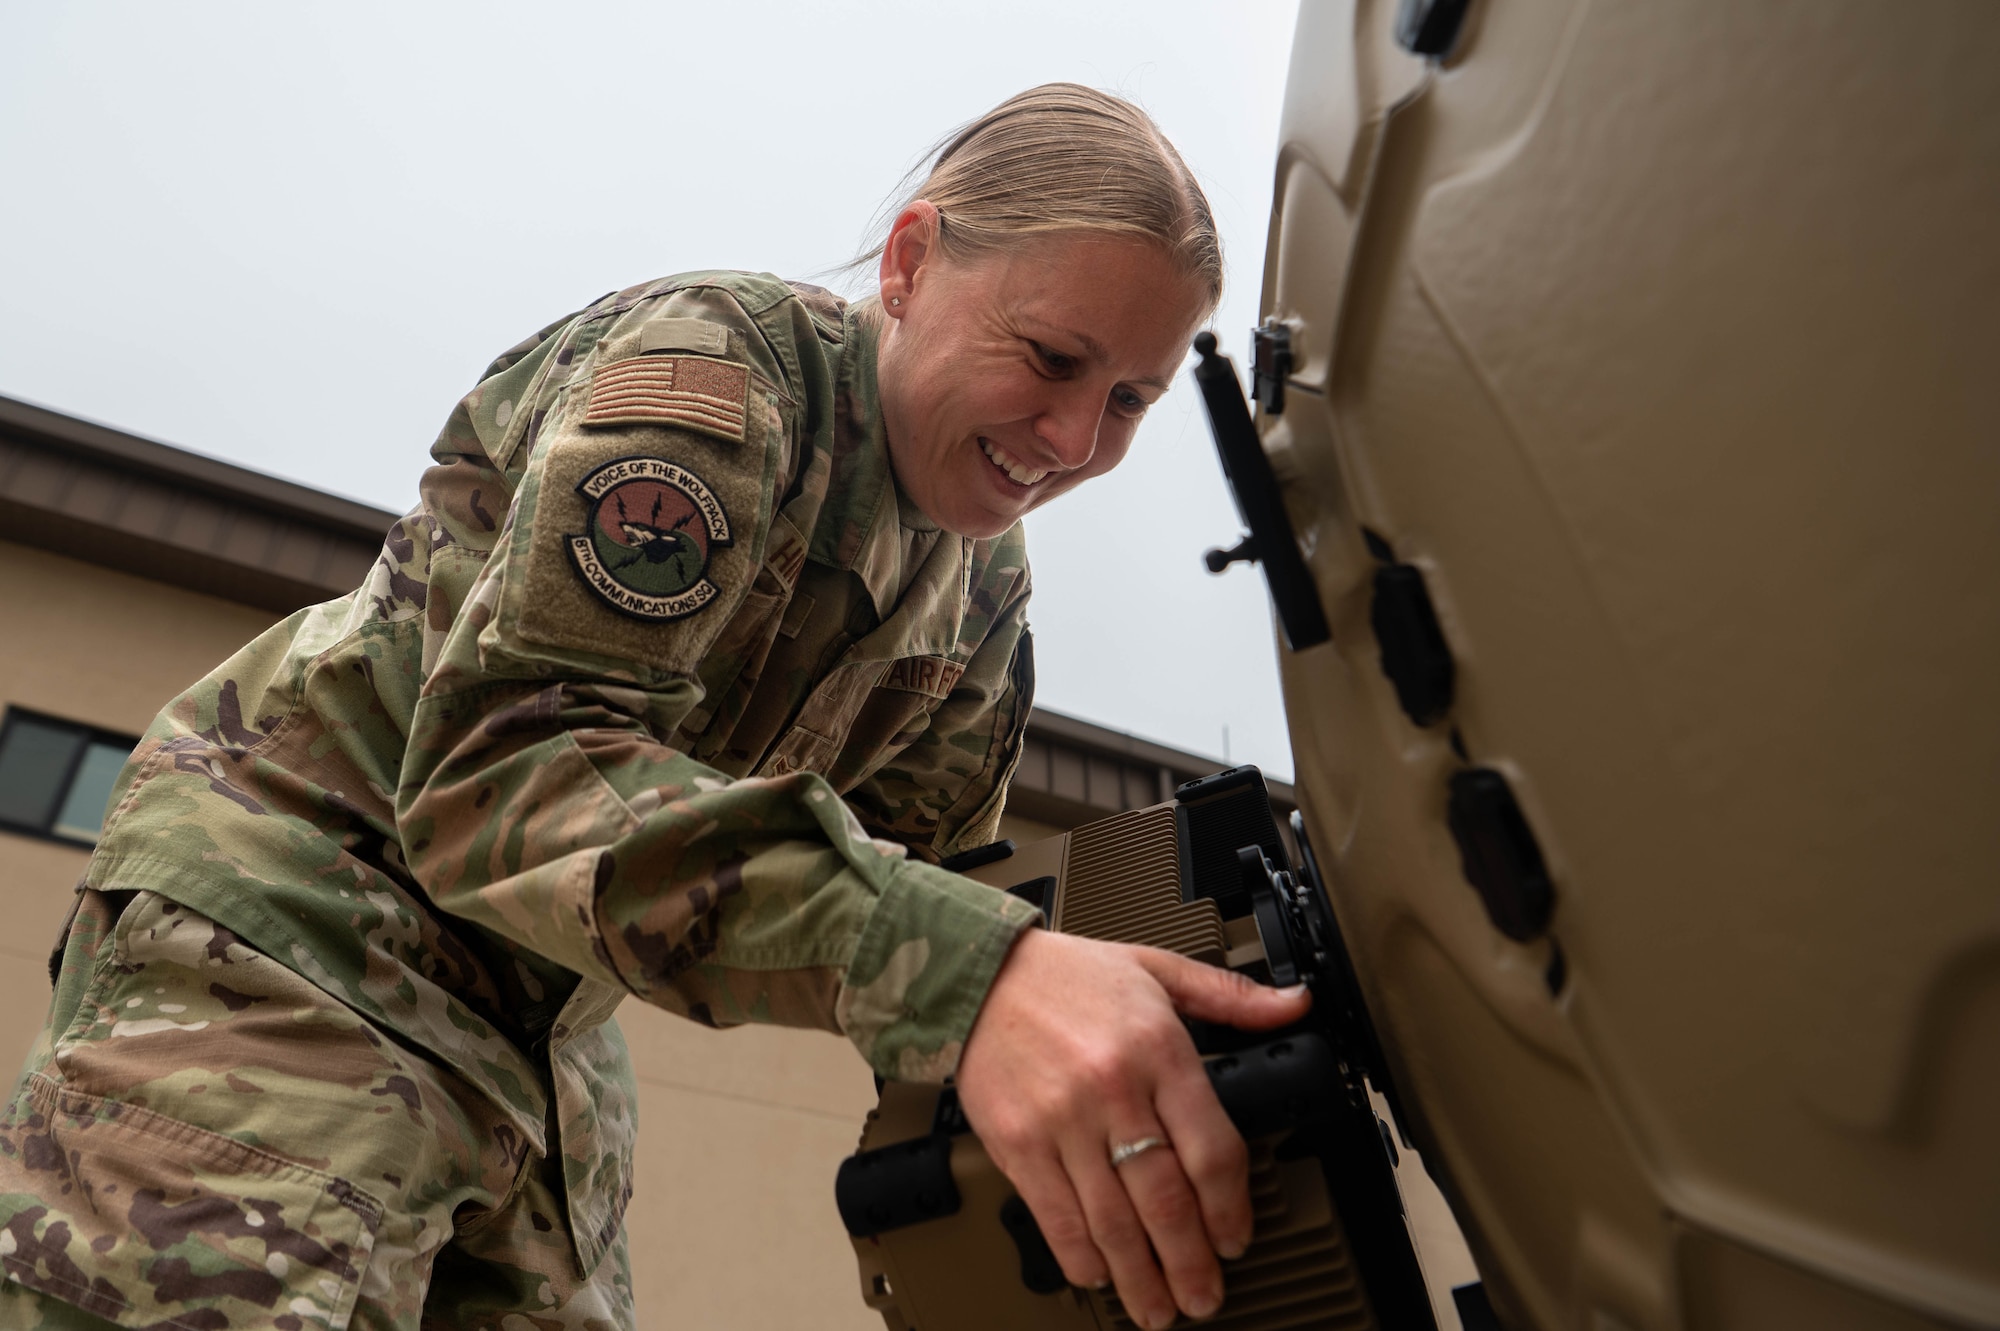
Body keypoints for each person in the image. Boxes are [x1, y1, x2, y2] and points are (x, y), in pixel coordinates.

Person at [0, 84, 1310, 1331]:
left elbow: (939, 902)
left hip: (539, 1031)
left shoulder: (980, 598)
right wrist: (982, 977)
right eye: (1053, 357)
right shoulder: (722, 381)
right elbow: (498, 780)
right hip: (297, 929)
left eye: (1129, 399)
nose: (1076, 438)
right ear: (910, 266)